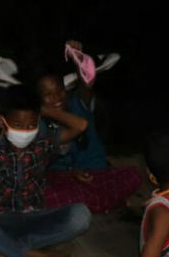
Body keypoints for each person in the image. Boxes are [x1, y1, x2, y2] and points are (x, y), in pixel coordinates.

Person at [0, 84, 91, 257]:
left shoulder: (44, 142)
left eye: (32, 124)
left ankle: (8, 247)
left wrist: (44, 110)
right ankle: (34, 254)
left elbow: (81, 125)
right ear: (2, 122)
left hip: (35, 216)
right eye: (18, 125)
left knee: (81, 216)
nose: (26, 130)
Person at [39, 40, 142, 214]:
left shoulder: (78, 104)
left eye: (59, 90)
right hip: (68, 181)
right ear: (39, 100)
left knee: (134, 175)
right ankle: (107, 203)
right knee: (48, 196)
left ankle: (97, 204)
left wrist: (77, 57)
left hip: (97, 175)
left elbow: (87, 83)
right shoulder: (38, 125)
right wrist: (71, 174)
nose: (56, 97)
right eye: (48, 95)